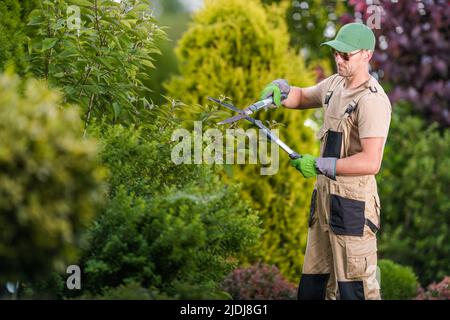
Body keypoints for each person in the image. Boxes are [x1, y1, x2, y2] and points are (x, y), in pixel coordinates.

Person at [260, 22, 392, 300]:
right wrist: (281, 90)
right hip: (323, 203)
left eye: (346, 55)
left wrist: (319, 165)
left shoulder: (372, 101)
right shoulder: (334, 85)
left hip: (353, 208)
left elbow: (371, 162)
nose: (338, 59)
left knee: (354, 290)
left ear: (366, 54)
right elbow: (302, 96)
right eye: (335, 53)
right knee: (315, 286)